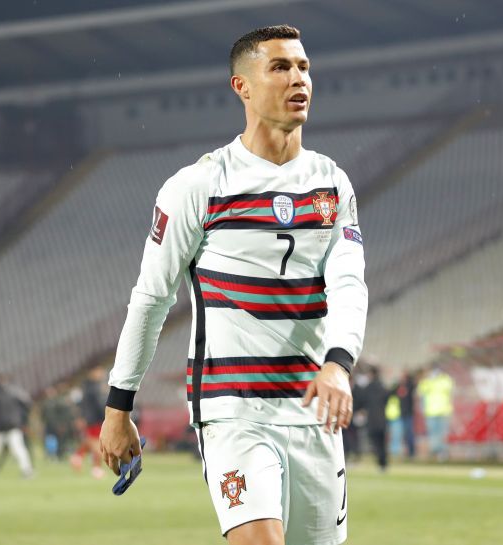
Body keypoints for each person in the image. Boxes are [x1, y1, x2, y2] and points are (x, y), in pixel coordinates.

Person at [99, 25, 367, 545]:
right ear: (241, 87)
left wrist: (338, 364)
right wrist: (118, 408)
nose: (298, 79)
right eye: (281, 67)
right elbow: (152, 298)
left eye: (304, 67)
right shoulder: (199, 185)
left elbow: (349, 281)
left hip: (315, 413)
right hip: (234, 410)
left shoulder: (332, 183)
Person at [72, 368, 107, 478]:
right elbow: (99, 405)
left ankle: (78, 456)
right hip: (96, 419)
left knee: (91, 441)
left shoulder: (87, 387)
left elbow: (82, 405)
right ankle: (96, 468)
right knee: (97, 444)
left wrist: (81, 417)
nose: (102, 373)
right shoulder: (95, 388)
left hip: (91, 419)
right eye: (99, 370)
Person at [417, 365, 454, 461]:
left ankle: (442, 453)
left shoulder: (445, 380)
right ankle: (435, 452)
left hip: (443, 411)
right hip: (431, 412)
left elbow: (450, 391)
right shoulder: (427, 381)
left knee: (442, 434)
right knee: (433, 434)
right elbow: (420, 393)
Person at [356, 366, 389, 472]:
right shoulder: (382, 386)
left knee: (375, 443)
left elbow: (361, 401)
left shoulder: (368, 387)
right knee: (382, 443)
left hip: (372, 419)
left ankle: (380, 463)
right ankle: (384, 463)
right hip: (382, 418)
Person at [393, 370, 417, 458]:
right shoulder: (399, 386)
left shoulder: (409, 386)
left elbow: (414, 385)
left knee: (409, 434)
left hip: (408, 414)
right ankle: (403, 452)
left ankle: (411, 452)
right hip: (400, 414)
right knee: (400, 434)